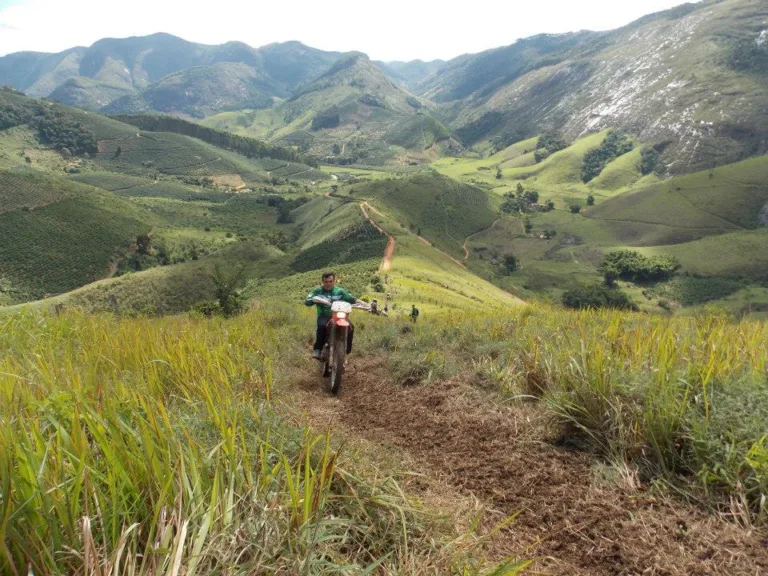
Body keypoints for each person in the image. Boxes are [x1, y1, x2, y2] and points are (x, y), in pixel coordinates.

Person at [305, 271, 361, 360]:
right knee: (322, 326)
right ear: (322, 282)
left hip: (338, 315)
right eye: (326, 282)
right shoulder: (317, 291)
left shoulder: (340, 291)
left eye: (330, 281)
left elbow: (352, 299)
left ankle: (346, 351)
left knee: (351, 327)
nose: (328, 284)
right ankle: (318, 349)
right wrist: (313, 300)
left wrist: (364, 304)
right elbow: (307, 301)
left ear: (334, 281)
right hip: (324, 315)